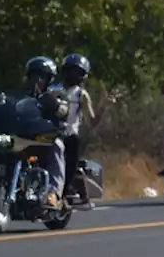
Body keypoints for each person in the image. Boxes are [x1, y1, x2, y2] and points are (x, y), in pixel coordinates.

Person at [53, 53, 119, 207]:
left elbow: (92, 121)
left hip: (69, 135)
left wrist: (104, 105)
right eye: (71, 71)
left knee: (70, 165)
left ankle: (67, 194)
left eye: (78, 72)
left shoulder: (81, 95)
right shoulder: (53, 89)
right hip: (50, 133)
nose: (73, 75)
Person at [24, 55, 67, 209]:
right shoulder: (21, 95)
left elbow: (64, 110)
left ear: (49, 79)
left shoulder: (56, 94)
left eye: (42, 76)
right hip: (24, 136)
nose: (37, 79)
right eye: (34, 75)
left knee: (57, 147)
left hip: (46, 136)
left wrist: (56, 105)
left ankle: (53, 193)